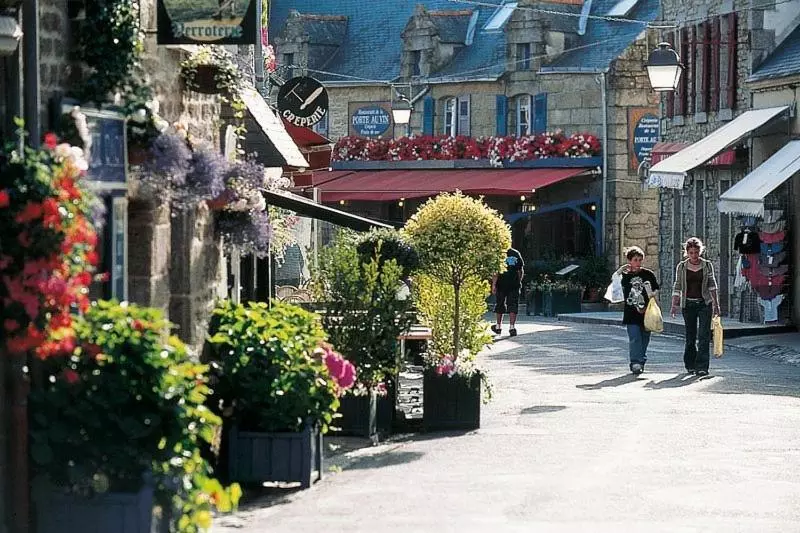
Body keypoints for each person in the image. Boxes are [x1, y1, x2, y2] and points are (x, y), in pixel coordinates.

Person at [670, 237, 720, 377]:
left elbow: (712, 284)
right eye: (691, 252)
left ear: (700, 251)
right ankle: (690, 364)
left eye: (696, 252)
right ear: (687, 252)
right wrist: (674, 304)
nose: (694, 256)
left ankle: (702, 366)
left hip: (704, 304)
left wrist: (716, 304)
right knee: (690, 336)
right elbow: (677, 285)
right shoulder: (682, 266)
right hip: (688, 304)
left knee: (704, 336)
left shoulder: (707, 265)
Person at [614, 246, 659, 375]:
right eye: (635, 260)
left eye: (640, 260)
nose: (638, 263)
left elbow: (656, 288)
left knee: (645, 338)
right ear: (629, 260)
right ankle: (635, 362)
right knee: (635, 338)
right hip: (631, 312)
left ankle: (641, 360)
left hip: (646, 312)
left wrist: (652, 294)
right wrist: (620, 270)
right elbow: (614, 284)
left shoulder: (648, 274)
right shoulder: (625, 276)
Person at [491, 248, 524, 337]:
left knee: (499, 304)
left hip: (501, 284)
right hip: (513, 285)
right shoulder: (516, 253)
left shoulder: (499, 253)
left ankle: (498, 327)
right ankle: (512, 327)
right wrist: (518, 281)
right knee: (513, 305)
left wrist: (494, 284)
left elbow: (496, 272)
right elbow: (520, 270)